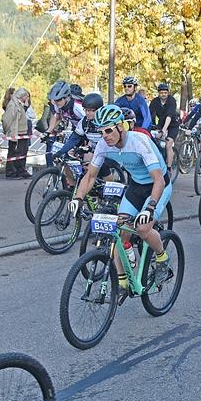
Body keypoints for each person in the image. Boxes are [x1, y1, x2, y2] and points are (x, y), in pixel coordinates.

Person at [67, 105, 173, 295]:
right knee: (118, 229)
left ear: (120, 127)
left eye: (108, 130)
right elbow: (90, 176)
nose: (105, 136)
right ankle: (123, 282)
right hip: (136, 186)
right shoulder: (103, 145)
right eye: (101, 132)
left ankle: (162, 257)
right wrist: (78, 197)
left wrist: (149, 207)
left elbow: (158, 179)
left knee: (142, 228)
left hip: (159, 185)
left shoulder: (139, 142)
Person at [149, 83, 179, 170]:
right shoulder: (155, 101)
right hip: (162, 123)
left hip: (173, 124)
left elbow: (169, 116)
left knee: (168, 144)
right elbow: (149, 114)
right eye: (161, 93)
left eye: (165, 93)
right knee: (155, 141)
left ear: (168, 93)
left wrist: (164, 130)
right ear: (158, 93)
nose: (163, 94)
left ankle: (169, 168)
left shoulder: (171, 100)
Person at [1, 87, 30, 179]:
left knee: (21, 153)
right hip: (16, 132)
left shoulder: (19, 105)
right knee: (14, 153)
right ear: (23, 96)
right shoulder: (13, 105)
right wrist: (7, 131)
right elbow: (7, 119)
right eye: (26, 96)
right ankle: (11, 172)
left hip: (22, 132)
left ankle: (20, 171)